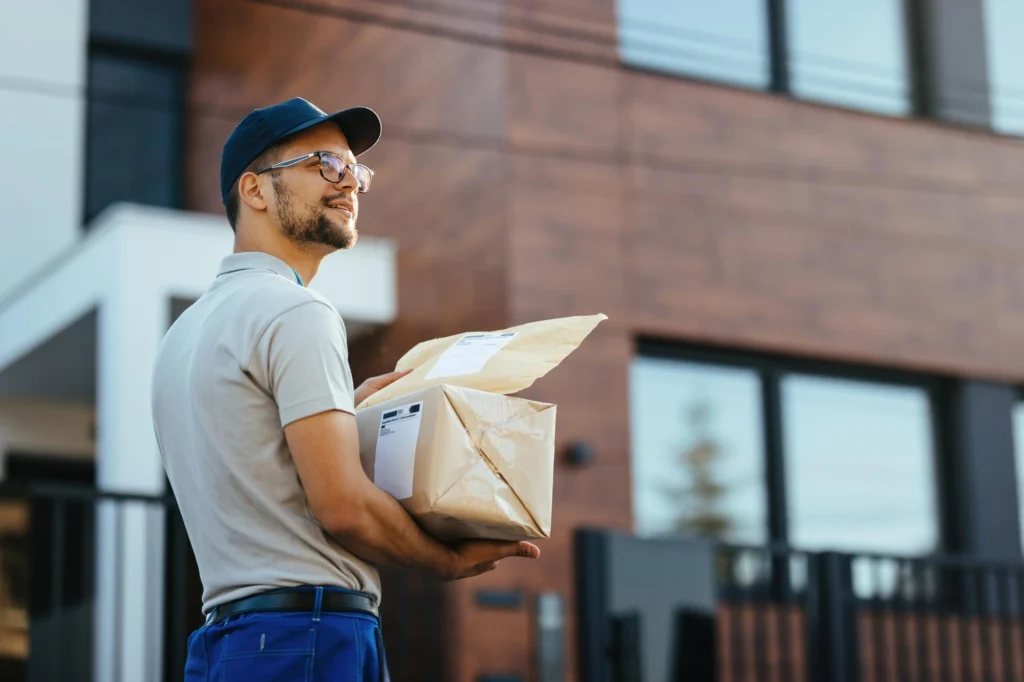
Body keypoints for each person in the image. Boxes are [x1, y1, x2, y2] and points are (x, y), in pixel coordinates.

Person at [151, 97, 540, 681]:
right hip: (308, 635)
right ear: (255, 191)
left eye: (356, 171)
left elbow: (255, 459)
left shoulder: (181, 336)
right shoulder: (296, 312)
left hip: (226, 644)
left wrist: (345, 409)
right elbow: (343, 507)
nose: (349, 184)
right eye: (324, 165)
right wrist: (447, 562)